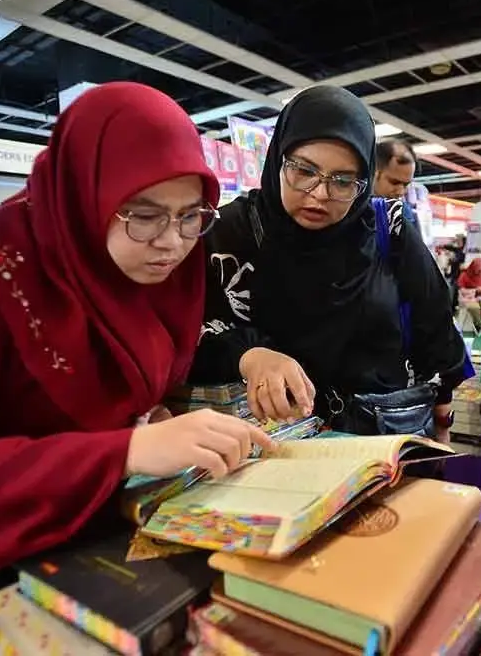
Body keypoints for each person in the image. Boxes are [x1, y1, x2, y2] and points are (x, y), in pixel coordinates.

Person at [0, 83, 273, 580]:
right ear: (86, 195)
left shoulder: (157, 270)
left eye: (191, 215)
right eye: (144, 215)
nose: (171, 242)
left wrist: (146, 420)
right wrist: (123, 451)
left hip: (93, 533)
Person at [192, 86, 467, 442]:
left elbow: (435, 328)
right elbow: (187, 337)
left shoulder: (390, 230)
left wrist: (442, 421)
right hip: (263, 452)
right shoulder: (228, 237)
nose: (320, 194)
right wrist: (250, 354)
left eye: (343, 181)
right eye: (303, 170)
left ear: (364, 182)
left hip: (379, 445)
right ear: (278, 159)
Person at [374, 139, 422, 236]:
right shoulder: (347, 208)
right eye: (394, 182)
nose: (401, 192)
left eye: (406, 185)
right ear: (374, 173)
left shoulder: (404, 214)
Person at [457, 256, 481, 330]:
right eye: (478, 270)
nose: (480, 272)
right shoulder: (464, 275)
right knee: (474, 308)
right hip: (469, 298)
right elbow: (461, 290)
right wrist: (475, 291)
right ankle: (480, 326)